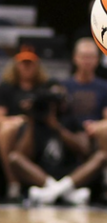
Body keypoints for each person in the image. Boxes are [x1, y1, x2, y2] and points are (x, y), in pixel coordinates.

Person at [13, 83, 101, 206]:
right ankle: (66, 193)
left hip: (69, 173)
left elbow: (84, 150)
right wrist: (31, 120)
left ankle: (53, 192)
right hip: (42, 175)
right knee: (14, 158)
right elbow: (23, 155)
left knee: (101, 157)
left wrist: (57, 127)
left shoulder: (71, 120)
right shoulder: (35, 122)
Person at [61, 39, 107, 204]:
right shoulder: (64, 85)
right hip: (70, 135)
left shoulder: (105, 87)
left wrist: (96, 127)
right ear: (75, 58)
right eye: (83, 56)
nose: (87, 61)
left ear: (97, 60)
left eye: (91, 57)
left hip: (96, 137)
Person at [0, 47, 54, 201]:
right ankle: (13, 183)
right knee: (7, 129)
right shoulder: (6, 88)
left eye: (30, 63)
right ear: (16, 65)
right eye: (23, 63)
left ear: (37, 66)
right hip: (14, 132)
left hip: (39, 130)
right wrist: (15, 120)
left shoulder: (44, 88)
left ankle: (16, 184)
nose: (26, 67)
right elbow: (1, 117)